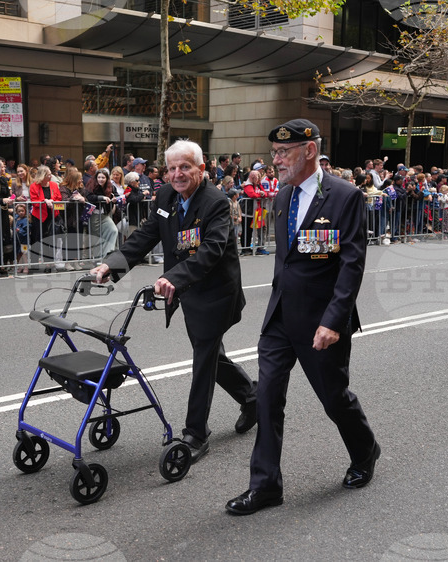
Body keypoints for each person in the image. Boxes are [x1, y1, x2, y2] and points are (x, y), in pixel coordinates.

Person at [226, 119, 379, 516]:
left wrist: (333, 320)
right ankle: (265, 486)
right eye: (274, 153)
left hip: (321, 321)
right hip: (280, 318)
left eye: (284, 152)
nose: (276, 160)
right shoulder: (282, 197)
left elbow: (351, 265)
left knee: (334, 398)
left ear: (309, 150)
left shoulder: (344, 196)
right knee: (267, 398)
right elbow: (287, 262)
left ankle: (365, 450)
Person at [90, 139, 257, 462]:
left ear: (202, 169)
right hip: (186, 289)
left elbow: (211, 250)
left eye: (185, 167)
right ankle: (252, 397)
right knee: (210, 354)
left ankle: (195, 434)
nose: (177, 174)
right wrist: (112, 265)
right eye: (171, 168)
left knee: (204, 358)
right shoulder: (166, 195)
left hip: (216, 294)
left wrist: (174, 277)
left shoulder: (216, 202)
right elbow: (146, 235)